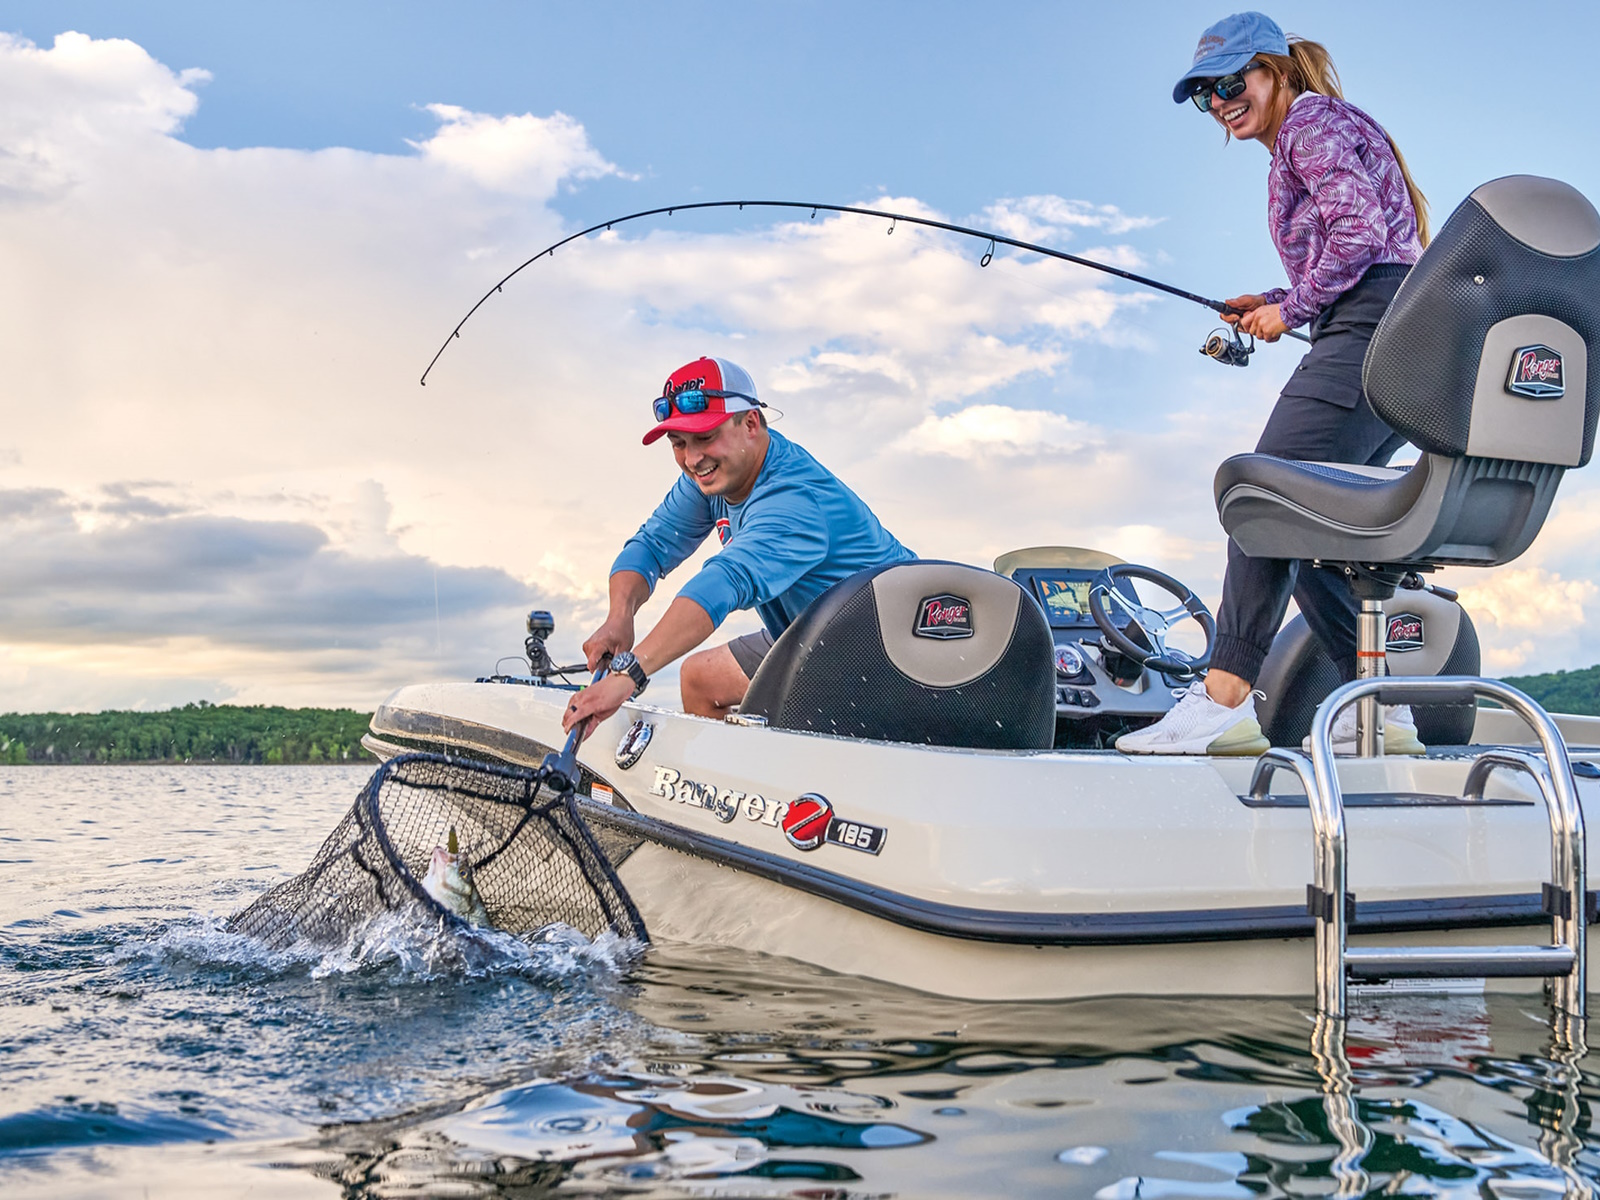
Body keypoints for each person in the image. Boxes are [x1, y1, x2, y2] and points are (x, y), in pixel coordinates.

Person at [1118, 12, 1431, 756]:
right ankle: (1382, 710)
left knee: (1261, 498)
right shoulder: (1313, 131)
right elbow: (1365, 248)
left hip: (1369, 331)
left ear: (1276, 71)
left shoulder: (1309, 124)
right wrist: (1272, 298)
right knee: (1314, 529)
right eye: (1206, 95)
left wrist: (1291, 309)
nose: (1221, 103)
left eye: (1232, 83)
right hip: (1399, 338)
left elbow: (1359, 235)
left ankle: (1222, 701)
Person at [561, 356, 914, 735]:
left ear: (750, 423)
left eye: (705, 438)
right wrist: (619, 617)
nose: (693, 459)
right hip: (812, 637)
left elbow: (725, 581)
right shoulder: (715, 476)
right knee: (699, 679)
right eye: (679, 444)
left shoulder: (793, 496)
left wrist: (629, 674)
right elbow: (650, 545)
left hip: (887, 653)